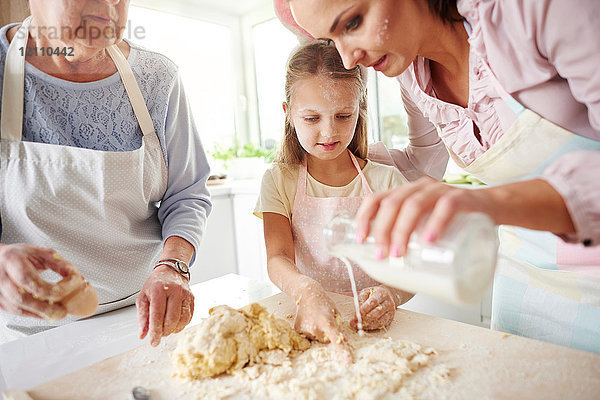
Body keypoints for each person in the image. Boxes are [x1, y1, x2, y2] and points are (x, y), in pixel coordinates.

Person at [276, 0, 600, 353]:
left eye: (353, 22)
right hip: (523, 281)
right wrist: (354, 164)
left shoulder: (537, 11)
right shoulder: (412, 76)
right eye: (330, 38)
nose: (349, 59)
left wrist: (488, 202)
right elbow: (423, 167)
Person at [0, 0, 211, 346]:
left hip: (144, 316)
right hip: (26, 335)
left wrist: (172, 266)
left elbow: (187, 194)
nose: (110, 7)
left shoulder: (158, 78)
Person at [254, 41, 413, 361]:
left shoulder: (387, 182)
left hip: (375, 334)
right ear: (289, 114)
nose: (329, 132)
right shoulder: (279, 180)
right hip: (305, 320)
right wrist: (305, 290)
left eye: (343, 115)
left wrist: (392, 294)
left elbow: (411, 264)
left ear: (359, 110)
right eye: (311, 118)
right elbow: (278, 258)